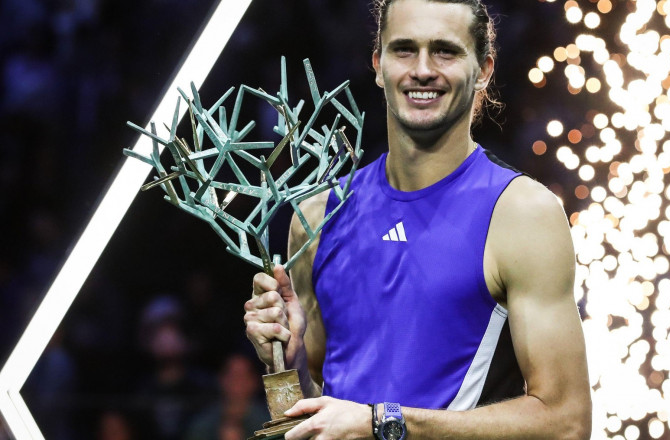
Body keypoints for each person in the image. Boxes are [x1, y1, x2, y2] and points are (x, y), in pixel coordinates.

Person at [243, 0, 592, 439]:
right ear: (378, 64)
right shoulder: (317, 217)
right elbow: (304, 419)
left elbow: (566, 424)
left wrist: (383, 424)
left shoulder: (521, 215)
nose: (423, 69)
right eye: (404, 49)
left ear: (483, 69)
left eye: (445, 51)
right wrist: (286, 364)